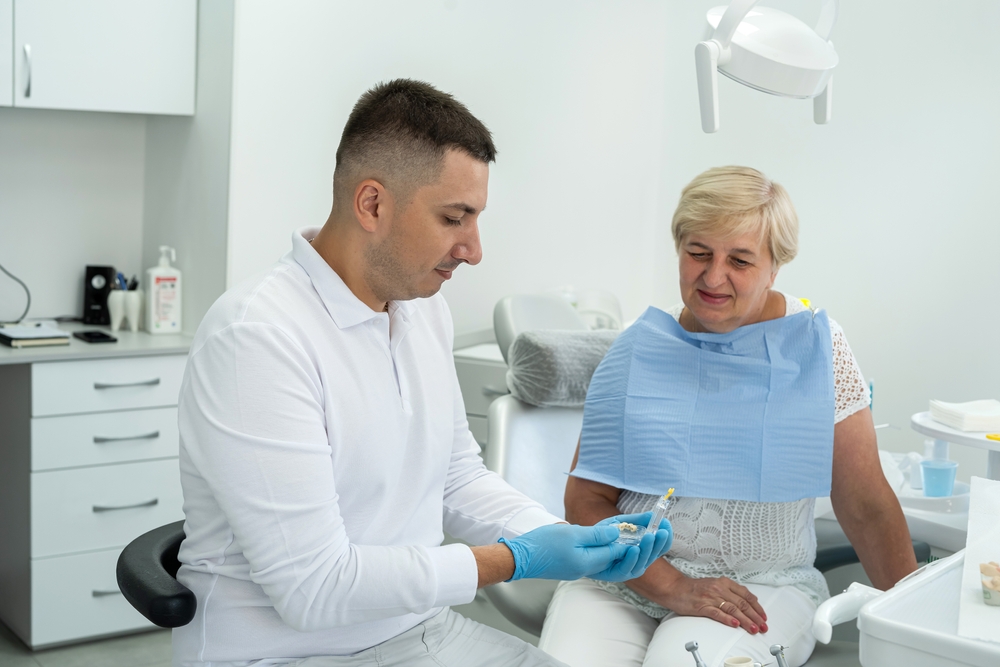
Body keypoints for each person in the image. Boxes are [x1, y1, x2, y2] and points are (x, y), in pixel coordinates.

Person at [173, 79, 671, 667]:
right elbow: (314, 589)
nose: (474, 249)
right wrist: (517, 560)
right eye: (454, 218)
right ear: (373, 204)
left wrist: (568, 538)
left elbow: (454, 475)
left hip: (416, 632)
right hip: (284, 652)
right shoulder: (258, 338)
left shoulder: (421, 308)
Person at [537, 166, 917, 667]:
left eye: (740, 260)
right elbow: (587, 500)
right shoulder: (638, 347)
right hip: (628, 575)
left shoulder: (817, 350)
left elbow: (865, 505)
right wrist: (671, 585)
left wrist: (917, 633)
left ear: (775, 266)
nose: (714, 277)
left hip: (760, 586)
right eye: (698, 253)